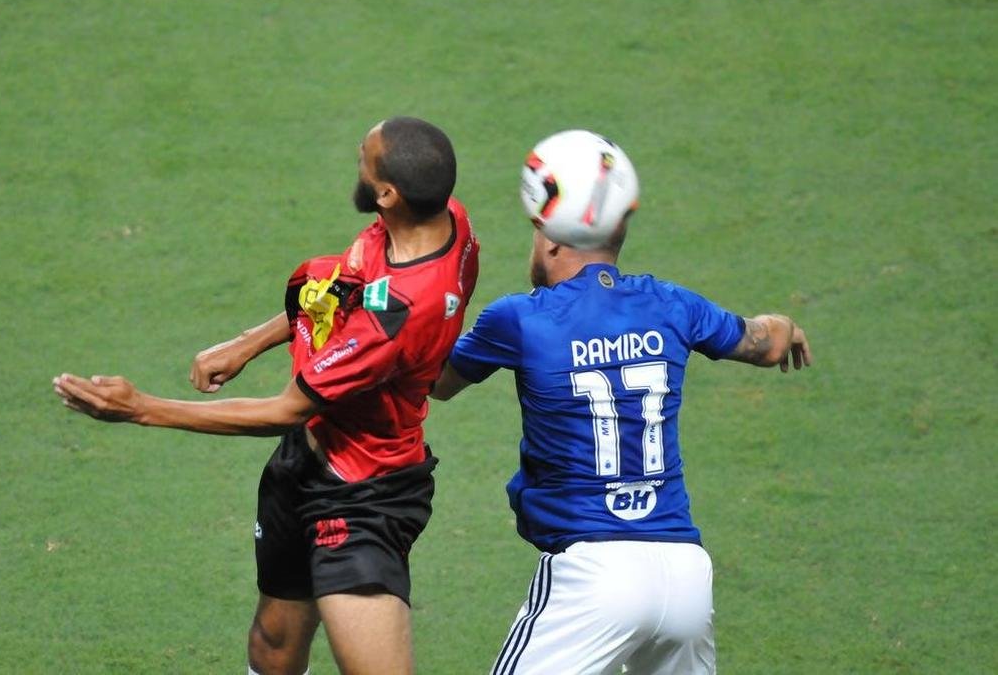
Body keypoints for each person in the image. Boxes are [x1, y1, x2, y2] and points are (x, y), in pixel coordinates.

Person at [52, 116, 479, 675]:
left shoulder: (393, 317)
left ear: (387, 193)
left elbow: (286, 409)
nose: (357, 155)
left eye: (364, 157)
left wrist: (140, 409)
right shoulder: (446, 223)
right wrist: (245, 343)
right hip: (306, 465)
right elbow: (340, 294)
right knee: (274, 644)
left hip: (363, 500)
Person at [431, 131, 811, 674]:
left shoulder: (520, 318)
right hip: (685, 578)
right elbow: (764, 341)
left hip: (594, 576)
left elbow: (436, 381)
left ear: (551, 238)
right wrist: (785, 326)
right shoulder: (673, 304)